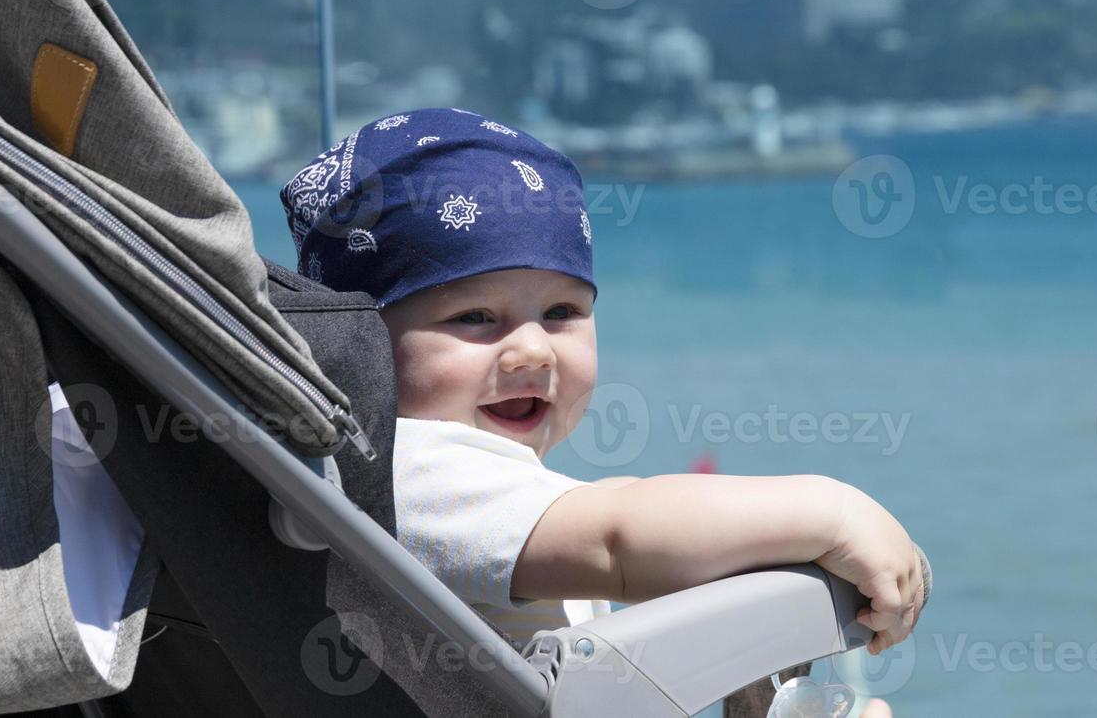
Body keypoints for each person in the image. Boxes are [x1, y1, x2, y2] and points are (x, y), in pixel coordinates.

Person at [280, 108, 927, 714]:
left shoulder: (438, 484)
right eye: (474, 317)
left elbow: (615, 520)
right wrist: (834, 512)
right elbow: (616, 535)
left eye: (562, 312)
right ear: (364, 340)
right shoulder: (402, 468)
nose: (531, 349)